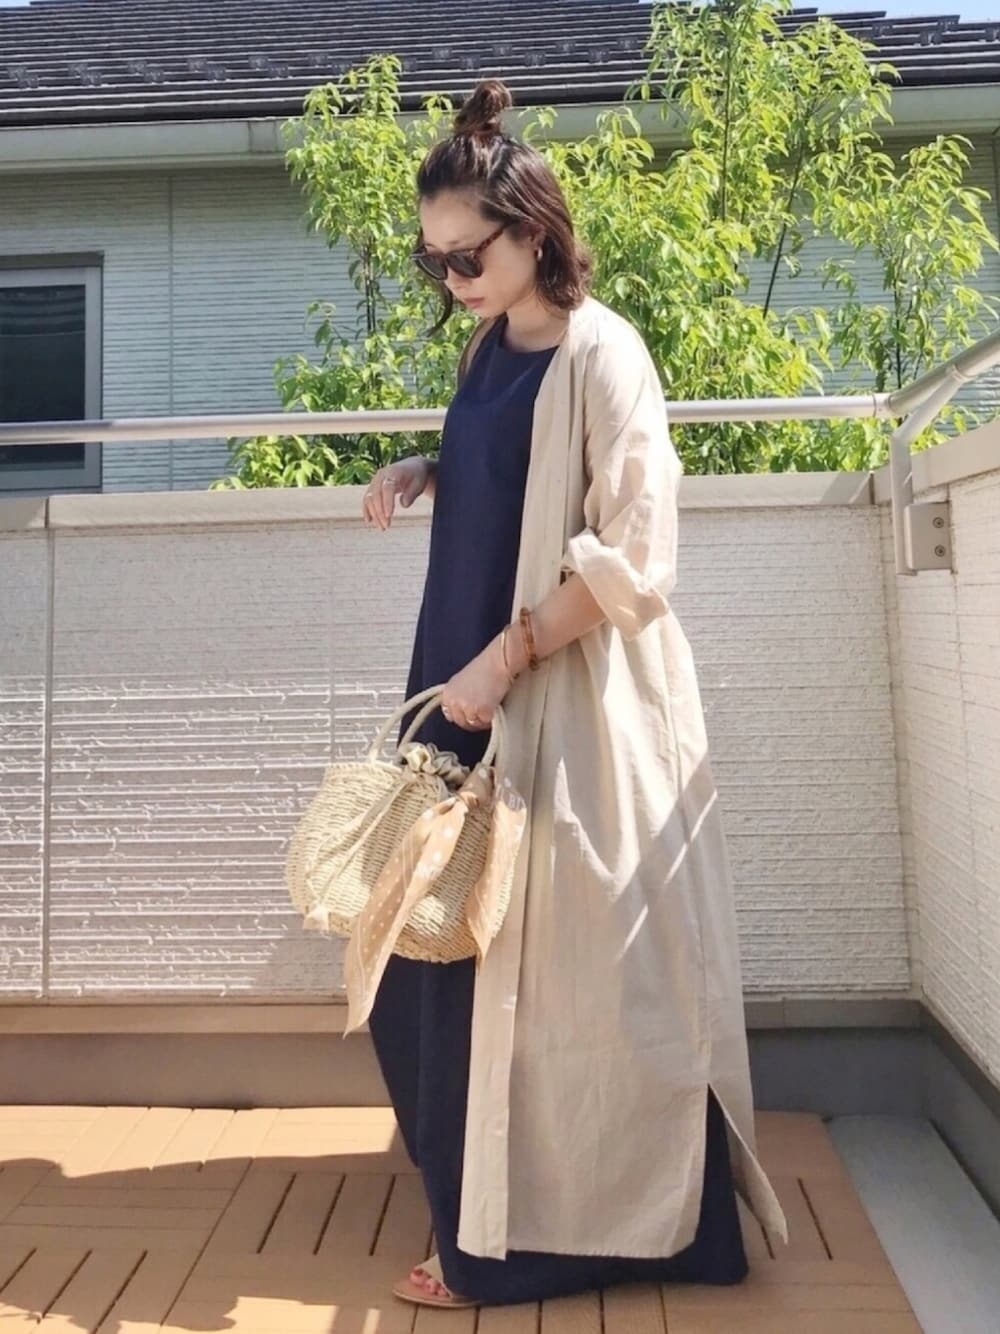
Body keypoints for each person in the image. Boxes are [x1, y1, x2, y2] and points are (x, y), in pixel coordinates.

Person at [359, 78, 788, 1311]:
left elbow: (634, 556)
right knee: (424, 947)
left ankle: (527, 1241)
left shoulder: (606, 352)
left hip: (556, 697)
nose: (452, 277)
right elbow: (512, 471)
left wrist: (503, 658)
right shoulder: (490, 343)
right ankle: (471, 1193)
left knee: (561, 979)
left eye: (468, 254)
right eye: (434, 259)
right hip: (463, 682)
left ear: (533, 228)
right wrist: (429, 464)